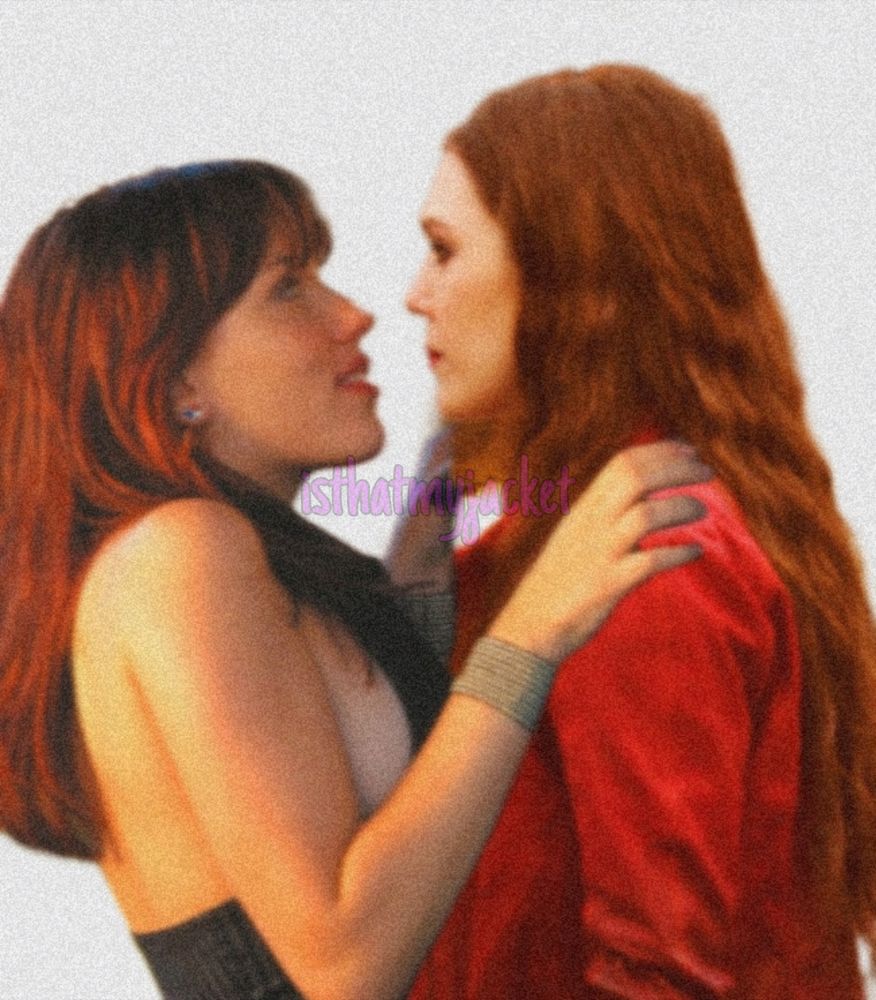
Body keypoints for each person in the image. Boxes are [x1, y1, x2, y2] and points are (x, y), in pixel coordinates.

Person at [0, 160, 712, 1000]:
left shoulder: (242, 557)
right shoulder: (180, 552)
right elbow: (343, 963)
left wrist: (426, 561)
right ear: (177, 377)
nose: (354, 314)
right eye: (288, 288)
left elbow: (395, 803)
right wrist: (533, 627)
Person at [405, 65, 876, 998]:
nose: (417, 293)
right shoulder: (606, 527)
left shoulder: (640, 556)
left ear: (569, 273)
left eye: (444, 250)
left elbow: (658, 977)